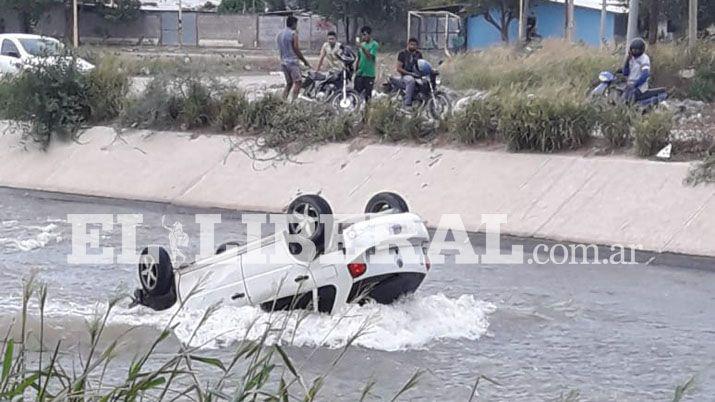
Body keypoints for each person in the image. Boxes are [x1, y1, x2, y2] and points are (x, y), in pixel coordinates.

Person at [277, 16, 311, 101]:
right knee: (298, 82)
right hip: (292, 62)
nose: (297, 26)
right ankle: (293, 102)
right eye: (296, 24)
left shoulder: (280, 35)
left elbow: (280, 49)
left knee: (289, 83)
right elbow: (296, 49)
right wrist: (304, 60)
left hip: (283, 62)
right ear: (293, 24)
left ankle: (283, 101)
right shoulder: (293, 34)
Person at [620, 38, 651, 103]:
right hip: (629, 85)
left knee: (631, 99)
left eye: (636, 50)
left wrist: (635, 84)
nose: (634, 52)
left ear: (641, 50)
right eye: (633, 50)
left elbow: (645, 75)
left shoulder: (644, 58)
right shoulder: (631, 58)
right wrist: (627, 61)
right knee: (621, 98)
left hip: (640, 87)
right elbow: (625, 73)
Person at [395, 37, 423, 108]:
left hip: (416, 75)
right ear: (408, 44)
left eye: (415, 45)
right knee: (411, 81)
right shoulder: (402, 54)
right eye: (411, 44)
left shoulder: (418, 54)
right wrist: (410, 74)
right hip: (405, 76)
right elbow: (399, 68)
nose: (413, 46)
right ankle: (407, 104)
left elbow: (422, 65)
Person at [354, 26, 379, 103]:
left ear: (369, 35)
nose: (364, 37)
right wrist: (356, 69)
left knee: (368, 95)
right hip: (360, 72)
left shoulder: (374, 44)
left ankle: (367, 111)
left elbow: (370, 57)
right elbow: (359, 58)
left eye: (365, 35)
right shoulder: (362, 44)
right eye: (362, 35)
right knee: (356, 94)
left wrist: (362, 48)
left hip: (369, 74)